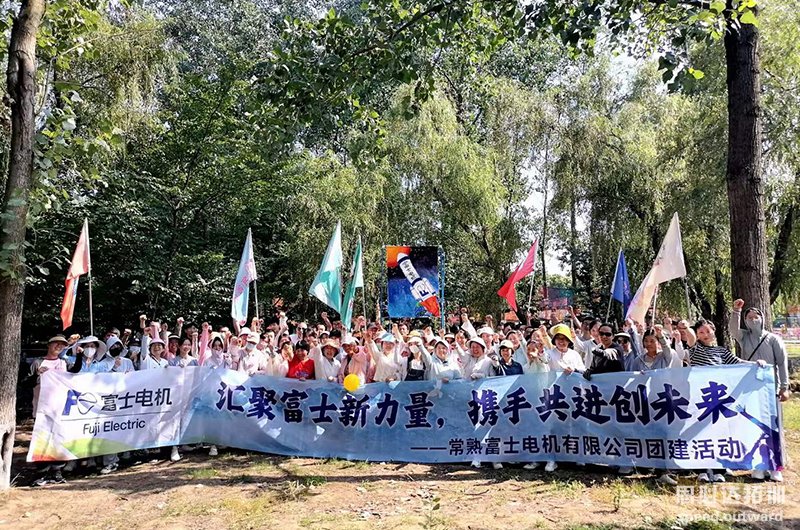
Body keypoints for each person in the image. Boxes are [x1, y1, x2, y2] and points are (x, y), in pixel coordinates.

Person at [686, 319, 768, 483]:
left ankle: (719, 469)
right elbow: (689, 338)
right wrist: (686, 327)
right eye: (701, 332)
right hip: (700, 398)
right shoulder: (694, 349)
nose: (705, 334)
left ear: (713, 331)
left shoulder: (721, 351)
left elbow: (738, 363)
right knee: (701, 433)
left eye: (708, 331)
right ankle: (702, 470)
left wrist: (756, 364)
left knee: (719, 433)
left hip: (718, 399)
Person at [729, 299, 789, 482]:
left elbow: (782, 363)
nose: (753, 320)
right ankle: (758, 465)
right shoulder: (744, 337)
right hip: (750, 388)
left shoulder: (773, 339)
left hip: (770, 388)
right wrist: (736, 311)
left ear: (762, 318)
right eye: (749, 317)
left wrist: (784, 387)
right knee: (753, 426)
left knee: (773, 427)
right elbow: (733, 330)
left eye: (756, 317)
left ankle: (775, 466)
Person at [31, 335, 69, 416]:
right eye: (56, 343)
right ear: (49, 345)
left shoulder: (64, 362)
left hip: (60, 408)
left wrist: (80, 355)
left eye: (62, 345)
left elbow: (75, 370)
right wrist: (37, 374)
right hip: (42, 410)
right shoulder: (38, 362)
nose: (59, 346)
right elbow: (27, 383)